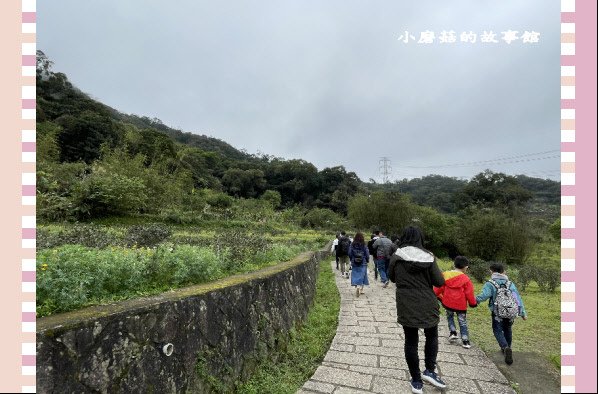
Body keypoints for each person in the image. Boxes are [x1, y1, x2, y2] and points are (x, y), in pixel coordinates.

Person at [388, 226, 447, 394]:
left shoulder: (396, 256)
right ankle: (429, 370)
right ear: (420, 238)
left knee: (411, 341)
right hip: (427, 302)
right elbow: (439, 281)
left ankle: (416, 380)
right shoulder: (429, 257)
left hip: (406, 303)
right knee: (432, 336)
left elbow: (392, 277)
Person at [476, 262, 527, 365]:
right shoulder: (510, 283)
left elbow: (484, 296)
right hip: (510, 312)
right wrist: (522, 312)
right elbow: (517, 298)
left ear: (491, 271)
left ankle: (505, 347)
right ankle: (508, 348)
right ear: (504, 271)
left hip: (497, 312)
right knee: (508, 329)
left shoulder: (490, 283)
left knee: (497, 330)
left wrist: (474, 301)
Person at [433, 256, 477, 349]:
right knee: (462, 322)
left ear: (454, 264)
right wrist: (473, 303)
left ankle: (453, 333)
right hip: (460, 306)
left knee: (450, 317)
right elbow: (469, 293)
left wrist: (435, 294)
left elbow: (439, 287)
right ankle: (465, 341)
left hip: (448, 303)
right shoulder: (466, 279)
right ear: (466, 267)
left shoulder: (445, 275)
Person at [349, 232, 370, 297]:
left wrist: (351, 259)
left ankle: (357, 287)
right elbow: (367, 253)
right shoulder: (364, 245)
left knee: (355, 274)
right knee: (363, 275)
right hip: (363, 261)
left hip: (354, 261)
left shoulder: (352, 244)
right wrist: (367, 259)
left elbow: (349, 253)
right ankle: (360, 288)